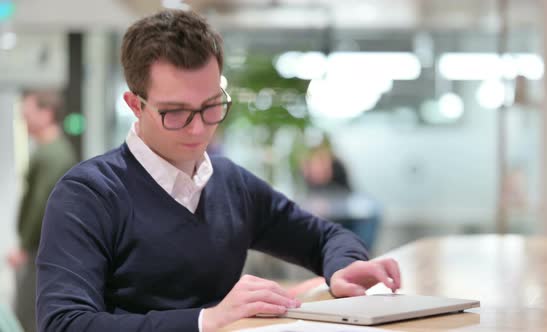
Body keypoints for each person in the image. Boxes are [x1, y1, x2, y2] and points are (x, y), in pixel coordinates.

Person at [36, 10, 401, 332]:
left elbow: (326, 238)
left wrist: (342, 268)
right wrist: (204, 320)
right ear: (135, 104)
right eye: (175, 112)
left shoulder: (231, 183)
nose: (199, 129)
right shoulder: (88, 195)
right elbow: (64, 323)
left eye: (211, 106)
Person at [6, 90, 77, 332]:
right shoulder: (51, 151)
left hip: (41, 248)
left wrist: (25, 247)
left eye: (29, 112)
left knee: (29, 314)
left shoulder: (52, 154)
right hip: (42, 247)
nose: (24, 118)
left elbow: (40, 203)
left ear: (47, 114)